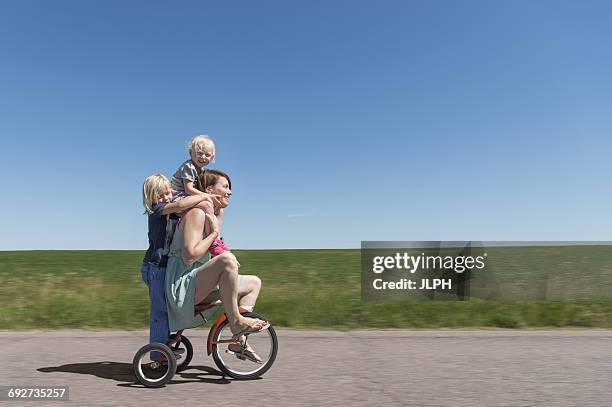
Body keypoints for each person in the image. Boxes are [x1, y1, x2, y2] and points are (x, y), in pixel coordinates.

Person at [165, 169, 267, 363]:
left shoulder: (212, 215)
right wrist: (214, 234)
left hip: (196, 284)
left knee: (253, 283)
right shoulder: (196, 213)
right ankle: (236, 322)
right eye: (225, 187)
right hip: (181, 287)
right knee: (227, 260)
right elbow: (188, 257)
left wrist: (217, 226)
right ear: (210, 189)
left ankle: (239, 340)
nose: (230, 192)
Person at [141, 173, 218, 359]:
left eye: (168, 193)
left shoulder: (172, 211)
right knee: (160, 312)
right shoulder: (157, 210)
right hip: (155, 267)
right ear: (151, 198)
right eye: (161, 195)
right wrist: (204, 196)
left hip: (166, 266)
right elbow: (180, 205)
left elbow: (186, 210)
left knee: (167, 309)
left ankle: (165, 344)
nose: (166, 198)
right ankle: (157, 355)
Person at [170, 134, 229, 255]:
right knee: (207, 204)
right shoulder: (189, 166)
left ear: (212, 157)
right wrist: (206, 196)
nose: (203, 157)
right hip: (178, 197)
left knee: (218, 209)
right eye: (199, 153)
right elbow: (188, 189)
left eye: (207, 155)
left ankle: (215, 238)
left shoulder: (200, 170)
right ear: (191, 153)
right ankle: (213, 241)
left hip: (187, 196)